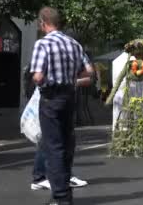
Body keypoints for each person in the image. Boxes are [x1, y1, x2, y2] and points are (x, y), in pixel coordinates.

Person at [30, 7, 92, 205]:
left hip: (51, 98)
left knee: (53, 147)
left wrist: (42, 80)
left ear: (43, 22)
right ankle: (63, 192)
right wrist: (71, 79)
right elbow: (89, 72)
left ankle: (61, 198)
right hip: (70, 96)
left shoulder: (43, 44)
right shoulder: (73, 44)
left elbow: (38, 76)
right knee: (66, 145)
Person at [28, 57, 91, 191]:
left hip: (63, 100)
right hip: (51, 99)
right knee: (51, 138)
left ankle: (61, 176)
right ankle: (41, 177)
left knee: (63, 139)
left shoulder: (70, 55)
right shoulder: (51, 53)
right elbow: (38, 77)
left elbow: (89, 77)